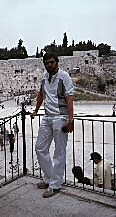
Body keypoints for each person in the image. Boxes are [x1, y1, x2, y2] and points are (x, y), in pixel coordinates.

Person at [30, 52, 74, 198]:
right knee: (40, 148)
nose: (49, 65)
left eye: (51, 62)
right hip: (47, 117)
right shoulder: (44, 76)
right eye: (46, 63)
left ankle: (55, 185)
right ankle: (49, 178)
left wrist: (70, 120)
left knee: (59, 152)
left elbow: (69, 98)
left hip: (60, 118)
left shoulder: (64, 77)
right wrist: (36, 111)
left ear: (57, 62)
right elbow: (41, 94)